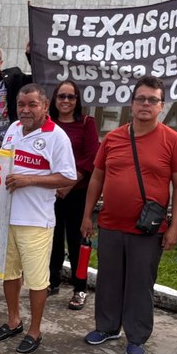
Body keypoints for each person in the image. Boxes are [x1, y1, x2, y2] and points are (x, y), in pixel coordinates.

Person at [81, 77, 177, 354]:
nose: (145, 104)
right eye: (140, 98)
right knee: (108, 280)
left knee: (140, 284)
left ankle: (137, 336)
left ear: (161, 106)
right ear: (131, 103)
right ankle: (107, 327)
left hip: (147, 229)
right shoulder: (113, 138)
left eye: (152, 100)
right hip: (110, 224)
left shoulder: (173, 141)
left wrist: (175, 226)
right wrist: (87, 215)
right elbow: (97, 178)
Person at [0, 83, 77, 354]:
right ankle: (13, 321)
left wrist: (29, 180)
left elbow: (68, 176)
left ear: (45, 106)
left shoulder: (57, 137)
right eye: (21, 105)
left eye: (32, 105)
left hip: (36, 221)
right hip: (7, 217)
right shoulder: (13, 129)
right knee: (9, 274)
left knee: (38, 281)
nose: (25, 110)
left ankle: (35, 331)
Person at [48, 80, 100, 311]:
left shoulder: (87, 123)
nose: (66, 101)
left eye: (71, 97)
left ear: (77, 100)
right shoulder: (48, 124)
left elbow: (91, 157)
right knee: (53, 239)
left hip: (78, 192)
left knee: (77, 241)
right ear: (55, 99)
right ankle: (52, 281)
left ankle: (80, 288)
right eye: (62, 96)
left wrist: (68, 183)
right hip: (50, 192)